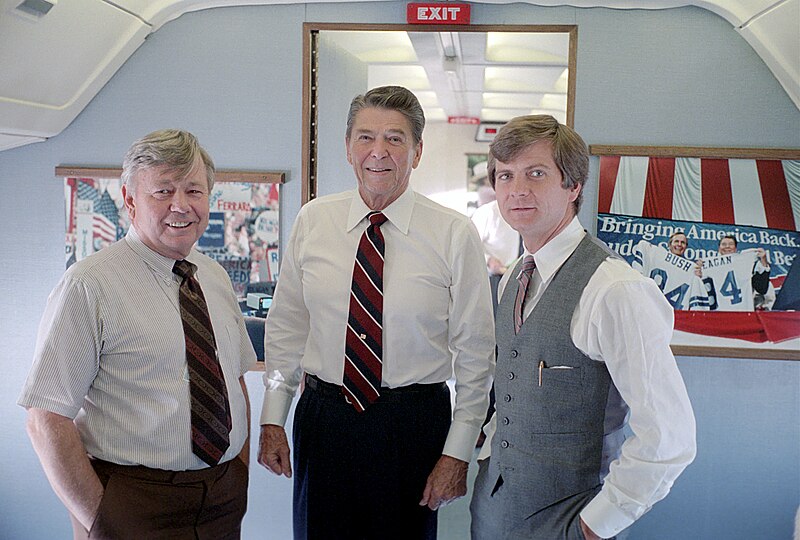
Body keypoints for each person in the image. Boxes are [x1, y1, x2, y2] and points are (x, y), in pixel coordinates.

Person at [257, 85, 495, 540]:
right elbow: (287, 327)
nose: (378, 152)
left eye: (395, 138)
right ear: (348, 147)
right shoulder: (312, 221)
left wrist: (458, 451)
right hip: (325, 417)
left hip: (414, 423)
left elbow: (476, 353)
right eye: (366, 137)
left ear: (417, 151)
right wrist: (273, 416)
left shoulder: (453, 234)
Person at [19, 129, 255, 539]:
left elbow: (233, 381)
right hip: (135, 504)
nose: (180, 206)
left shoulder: (214, 277)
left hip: (222, 498)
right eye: (163, 191)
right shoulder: (89, 285)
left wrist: (239, 470)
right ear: (129, 200)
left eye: (193, 191)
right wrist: (101, 518)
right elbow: (46, 418)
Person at [469, 115, 696, 540]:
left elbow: (669, 437)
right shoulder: (516, 275)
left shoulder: (615, 289)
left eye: (536, 173)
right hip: (495, 509)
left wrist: (596, 526)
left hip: (571, 519)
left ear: (573, 186)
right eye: (505, 175)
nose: (517, 189)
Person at [471, 198, 521, 310]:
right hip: (491, 280)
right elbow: (469, 249)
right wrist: (489, 260)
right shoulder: (487, 212)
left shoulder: (523, 212)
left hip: (516, 277)